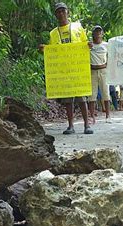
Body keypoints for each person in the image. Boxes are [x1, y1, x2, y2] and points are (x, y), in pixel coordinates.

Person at [39, 2, 93, 134]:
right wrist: (45, 50)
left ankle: (87, 125)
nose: (61, 13)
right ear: (56, 14)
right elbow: (53, 51)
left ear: (67, 12)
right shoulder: (53, 33)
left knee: (81, 98)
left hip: (78, 69)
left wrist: (89, 45)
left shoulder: (77, 27)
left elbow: (85, 44)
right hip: (64, 71)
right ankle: (71, 126)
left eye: (63, 11)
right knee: (68, 100)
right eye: (58, 11)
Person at [89, 26, 111, 123]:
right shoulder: (89, 45)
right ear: (93, 34)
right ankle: (92, 117)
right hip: (92, 71)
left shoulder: (106, 45)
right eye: (96, 32)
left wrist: (108, 65)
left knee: (105, 93)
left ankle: (108, 116)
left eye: (99, 32)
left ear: (102, 34)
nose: (98, 34)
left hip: (103, 71)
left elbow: (111, 56)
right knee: (92, 95)